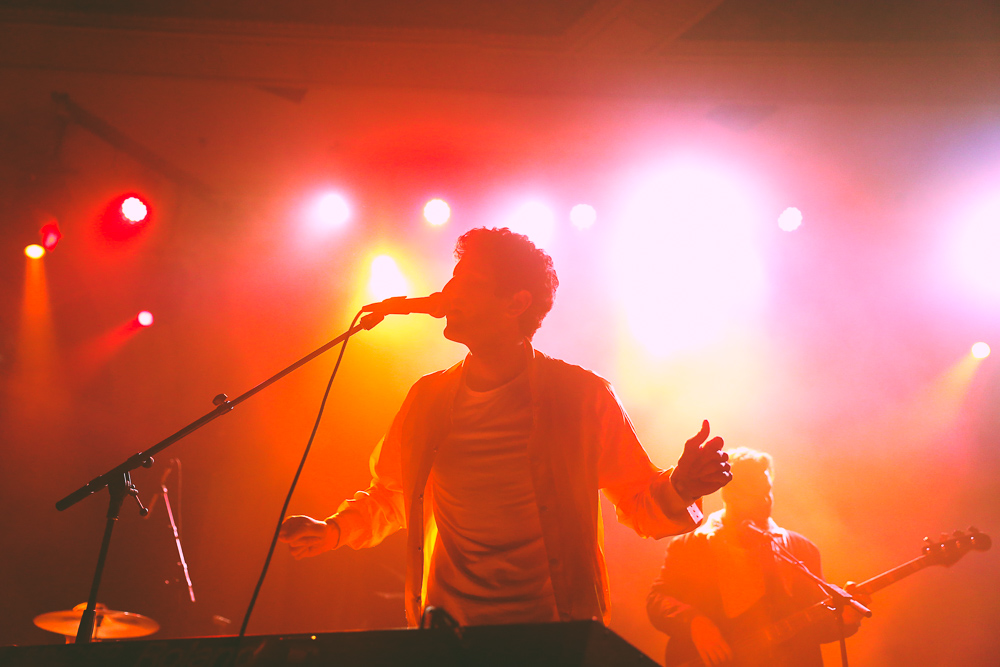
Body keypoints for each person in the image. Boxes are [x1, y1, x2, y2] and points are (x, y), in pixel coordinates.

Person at [279, 227, 732, 627]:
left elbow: (637, 499)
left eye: (469, 283)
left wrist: (682, 486)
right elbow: (395, 495)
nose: (449, 292)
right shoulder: (426, 399)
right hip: (448, 635)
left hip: (552, 632)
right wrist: (335, 529)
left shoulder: (581, 396)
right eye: (452, 279)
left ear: (516, 302)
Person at [647, 448, 867, 666]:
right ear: (728, 494)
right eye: (752, 493)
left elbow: (814, 627)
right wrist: (694, 622)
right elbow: (658, 600)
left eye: (767, 491)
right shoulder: (691, 546)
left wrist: (845, 619)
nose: (764, 501)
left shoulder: (800, 549)